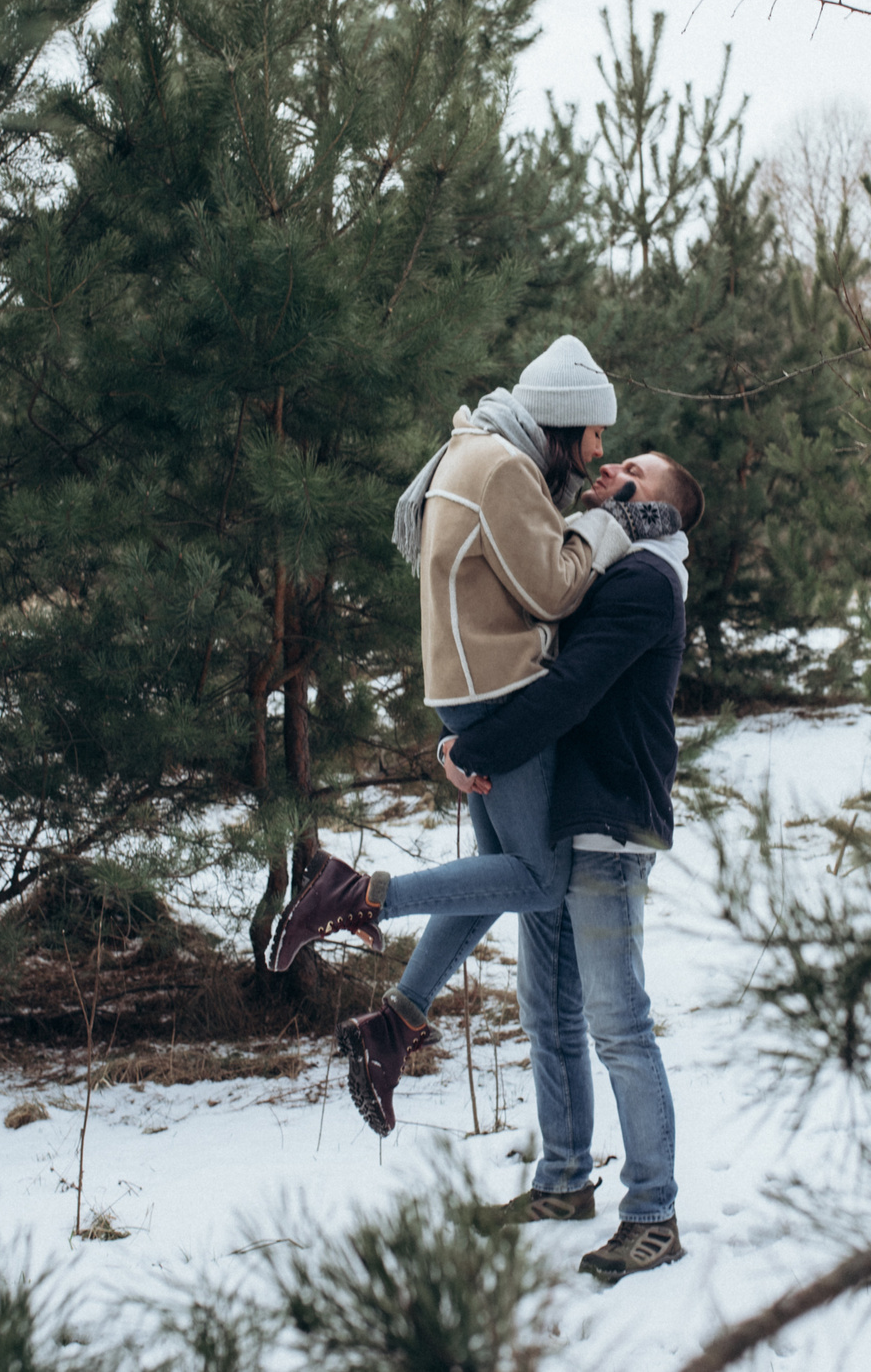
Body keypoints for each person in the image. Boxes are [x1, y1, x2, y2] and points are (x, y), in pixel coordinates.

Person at [268, 335, 662, 1129]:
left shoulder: (473, 450)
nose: (597, 454)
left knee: (495, 872)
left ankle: (397, 1023)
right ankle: (362, 892)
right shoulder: (504, 470)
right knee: (539, 880)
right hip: (502, 691)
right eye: (593, 436)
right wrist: (611, 531)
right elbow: (553, 589)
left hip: (464, 689)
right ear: (562, 424)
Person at [442, 449, 703, 1284]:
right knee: (546, 1007)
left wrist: (475, 749)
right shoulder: (609, 562)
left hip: (607, 822)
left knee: (616, 1019)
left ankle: (653, 1211)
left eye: (635, 468)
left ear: (651, 503)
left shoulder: (645, 581)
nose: (611, 465)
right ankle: (561, 1180)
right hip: (564, 815)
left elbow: (569, 689)